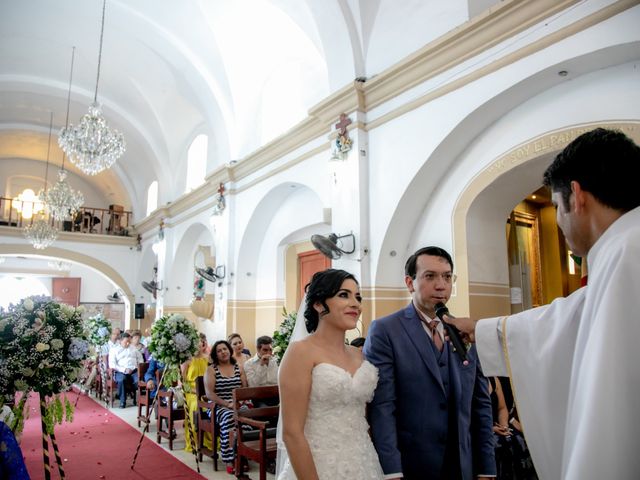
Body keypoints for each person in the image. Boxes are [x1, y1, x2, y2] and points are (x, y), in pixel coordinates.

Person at [445, 128, 640, 479]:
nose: (560, 223)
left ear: (576, 195)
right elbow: (577, 314)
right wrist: (482, 329)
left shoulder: (626, 252)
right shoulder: (626, 246)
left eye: (555, 207)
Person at [364, 246, 495, 479]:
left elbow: (480, 403)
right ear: (410, 282)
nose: (441, 285)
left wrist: (486, 468)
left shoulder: (465, 330)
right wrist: (392, 470)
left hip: (462, 465)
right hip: (413, 464)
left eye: (447, 277)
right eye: (430, 276)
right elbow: (383, 407)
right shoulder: (386, 330)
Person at [277, 269, 384, 479]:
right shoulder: (301, 352)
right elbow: (292, 433)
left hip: (364, 461)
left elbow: (362, 416)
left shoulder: (359, 355)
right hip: (319, 464)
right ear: (318, 304)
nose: (355, 304)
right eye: (344, 295)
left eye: (358, 297)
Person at [204, 339, 248, 475]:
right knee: (230, 417)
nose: (223, 352)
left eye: (225, 349)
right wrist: (227, 404)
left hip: (237, 403)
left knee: (247, 417)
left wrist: (240, 401)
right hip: (217, 405)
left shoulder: (238, 367)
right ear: (215, 355)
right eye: (219, 351)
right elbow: (209, 393)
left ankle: (242, 455)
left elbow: (244, 388)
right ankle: (230, 458)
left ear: (229, 350)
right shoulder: (211, 370)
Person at [180, 333, 210, 453]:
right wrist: (195, 391)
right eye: (196, 341)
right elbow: (182, 382)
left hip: (207, 392)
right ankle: (196, 441)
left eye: (201, 341)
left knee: (213, 405)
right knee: (196, 405)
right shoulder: (186, 360)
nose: (199, 344)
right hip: (191, 392)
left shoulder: (208, 358)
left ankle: (210, 440)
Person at [108, 332, 143, 408]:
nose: (127, 344)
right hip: (120, 371)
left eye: (129, 342)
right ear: (120, 341)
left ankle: (136, 399)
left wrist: (136, 366)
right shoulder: (114, 350)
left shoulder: (133, 348)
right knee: (122, 380)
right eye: (125, 342)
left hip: (133, 370)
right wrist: (124, 369)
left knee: (139, 380)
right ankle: (122, 401)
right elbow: (112, 364)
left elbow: (140, 359)